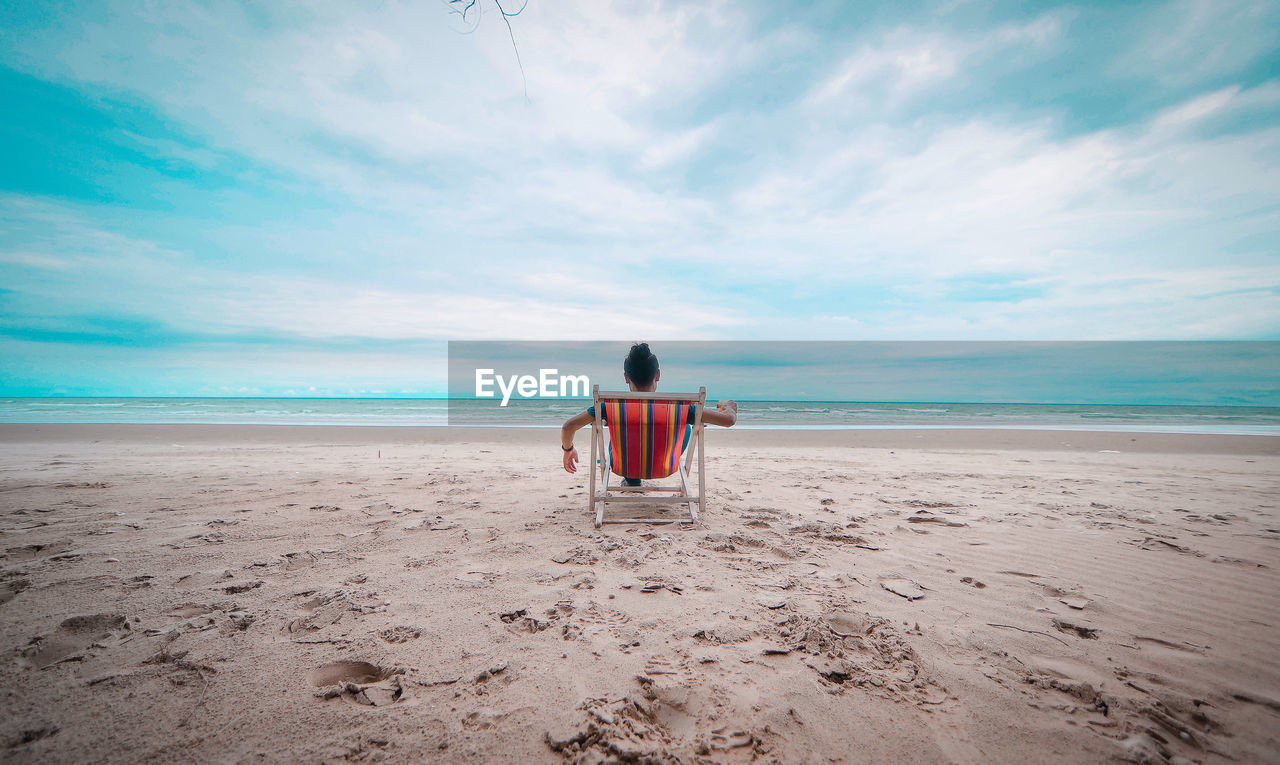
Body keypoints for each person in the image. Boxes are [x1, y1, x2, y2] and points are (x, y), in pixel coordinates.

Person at [560, 343, 738, 480]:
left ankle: (632, 479)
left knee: (618, 432)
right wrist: (729, 405)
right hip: (665, 467)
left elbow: (569, 426)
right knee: (688, 428)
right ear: (658, 375)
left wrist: (568, 449)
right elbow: (728, 420)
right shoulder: (679, 408)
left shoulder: (609, 407)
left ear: (626, 377)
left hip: (622, 466)